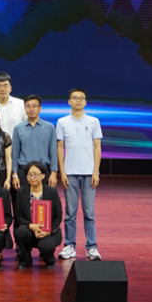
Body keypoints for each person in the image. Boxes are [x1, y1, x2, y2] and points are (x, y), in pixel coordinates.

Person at [57, 88, 103, 261]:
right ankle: (69, 246)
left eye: (81, 98)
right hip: (70, 173)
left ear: (85, 102)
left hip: (89, 173)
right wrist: (62, 172)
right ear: (69, 101)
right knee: (70, 212)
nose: (78, 100)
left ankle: (92, 247)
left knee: (89, 212)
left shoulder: (93, 121)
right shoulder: (62, 122)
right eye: (75, 98)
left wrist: (96, 172)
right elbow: (60, 147)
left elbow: (97, 147)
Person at [14, 161, 63, 269]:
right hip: (30, 230)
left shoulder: (52, 192)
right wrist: (30, 225)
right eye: (29, 175)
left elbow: (58, 216)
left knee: (45, 246)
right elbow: (18, 216)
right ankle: (25, 260)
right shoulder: (21, 192)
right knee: (20, 232)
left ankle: (49, 259)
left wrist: (48, 230)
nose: (32, 177)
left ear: (43, 175)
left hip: (49, 231)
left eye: (36, 174)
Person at [11, 95, 58, 192]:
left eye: (34, 106)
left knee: (43, 201)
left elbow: (53, 152)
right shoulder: (18, 128)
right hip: (23, 172)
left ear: (40, 108)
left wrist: (54, 173)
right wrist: (14, 174)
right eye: (28, 106)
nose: (31, 109)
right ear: (24, 109)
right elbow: (15, 153)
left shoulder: (49, 127)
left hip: (43, 172)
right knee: (22, 200)